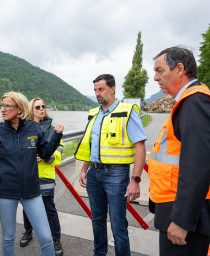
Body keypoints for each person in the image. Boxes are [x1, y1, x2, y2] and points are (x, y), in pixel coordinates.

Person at [75, 74, 147, 256]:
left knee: (118, 224)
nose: (97, 93)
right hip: (94, 174)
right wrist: (84, 170)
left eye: (101, 89)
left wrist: (135, 180)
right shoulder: (93, 113)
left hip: (117, 174)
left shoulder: (128, 110)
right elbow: (90, 146)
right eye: (95, 90)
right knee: (97, 220)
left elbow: (140, 146)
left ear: (113, 88)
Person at [148, 46, 210, 256]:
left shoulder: (195, 102)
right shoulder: (188, 102)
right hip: (175, 208)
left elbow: (197, 166)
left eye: (159, 70)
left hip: (184, 217)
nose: (155, 77)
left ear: (179, 69)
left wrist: (182, 221)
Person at [0, 91, 64, 256]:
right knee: (8, 237)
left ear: (20, 109)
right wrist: (4, 176)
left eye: (8, 106)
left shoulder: (33, 128)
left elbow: (44, 153)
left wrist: (57, 136)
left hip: (31, 191)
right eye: (2, 105)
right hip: (5, 192)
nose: (3, 109)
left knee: (46, 237)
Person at [19, 98, 64, 256]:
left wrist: (47, 157)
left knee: (49, 209)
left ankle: (56, 240)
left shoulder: (52, 129)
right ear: (31, 110)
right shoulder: (22, 128)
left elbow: (59, 151)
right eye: (37, 107)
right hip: (27, 175)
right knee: (26, 206)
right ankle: (28, 231)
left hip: (45, 176)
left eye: (43, 106)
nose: (41, 109)